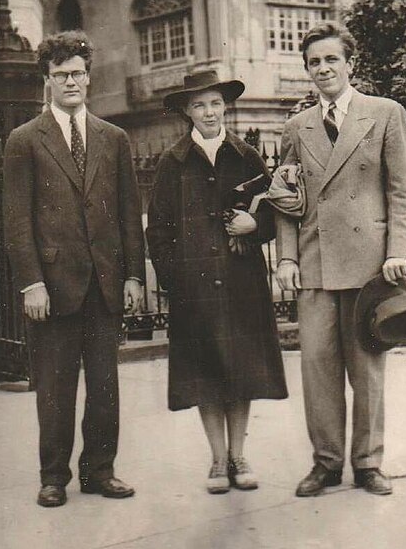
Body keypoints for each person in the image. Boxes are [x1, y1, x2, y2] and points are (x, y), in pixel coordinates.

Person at [3, 30, 145, 507]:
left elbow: (129, 212)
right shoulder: (24, 139)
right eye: (61, 74)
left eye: (78, 73)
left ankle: (101, 470)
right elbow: (17, 219)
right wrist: (31, 283)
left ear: (89, 76)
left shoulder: (114, 137)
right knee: (56, 389)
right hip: (53, 286)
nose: (71, 82)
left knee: (105, 386)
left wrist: (132, 275)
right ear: (47, 79)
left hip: (105, 283)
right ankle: (53, 477)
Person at [276, 24, 406, 497]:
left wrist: (398, 249)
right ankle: (327, 463)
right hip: (315, 265)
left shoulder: (385, 113)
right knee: (318, 370)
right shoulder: (297, 126)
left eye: (331, 59)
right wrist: (286, 258)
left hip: (371, 266)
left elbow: (400, 192)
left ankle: (369, 463)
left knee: (367, 368)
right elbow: (287, 200)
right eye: (314, 62)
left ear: (349, 62)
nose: (323, 69)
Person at [146, 70, 288, 494]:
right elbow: (158, 229)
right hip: (196, 288)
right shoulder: (172, 161)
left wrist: (255, 226)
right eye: (198, 105)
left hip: (242, 281)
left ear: (224, 106)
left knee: (241, 370)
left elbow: (275, 210)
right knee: (206, 372)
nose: (208, 112)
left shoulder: (246, 155)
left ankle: (238, 455)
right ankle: (215, 459)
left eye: (214, 103)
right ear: (187, 112)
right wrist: (176, 281)